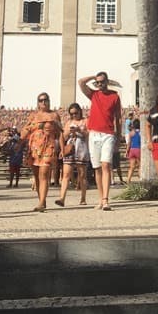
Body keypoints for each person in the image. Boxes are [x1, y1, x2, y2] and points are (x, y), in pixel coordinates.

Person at [78, 71, 121, 211]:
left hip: (108, 134)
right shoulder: (94, 94)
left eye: (102, 81)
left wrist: (119, 137)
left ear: (107, 81)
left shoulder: (114, 96)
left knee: (105, 165)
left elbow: (118, 118)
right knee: (97, 168)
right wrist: (93, 77)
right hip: (94, 134)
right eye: (98, 82)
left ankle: (106, 199)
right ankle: (100, 199)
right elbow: (80, 82)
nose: (100, 84)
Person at [19, 93, 62, 212]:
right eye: (41, 100)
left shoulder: (54, 115)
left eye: (45, 100)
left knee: (44, 174)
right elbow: (26, 130)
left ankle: (42, 202)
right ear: (38, 103)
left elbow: (60, 132)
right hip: (34, 148)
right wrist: (19, 142)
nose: (43, 102)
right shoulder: (33, 116)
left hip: (49, 146)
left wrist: (63, 149)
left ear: (49, 101)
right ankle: (41, 199)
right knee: (37, 176)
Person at [55, 103, 89, 208]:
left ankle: (83, 197)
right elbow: (63, 137)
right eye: (72, 114)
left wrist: (80, 130)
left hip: (81, 148)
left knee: (82, 175)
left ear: (80, 111)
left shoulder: (85, 121)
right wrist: (68, 133)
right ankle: (62, 198)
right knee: (66, 174)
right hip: (70, 148)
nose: (74, 115)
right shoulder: (69, 122)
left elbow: (89, 134)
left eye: (76, 113)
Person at [126, 119, 141, 183]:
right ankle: (141, 178)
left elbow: (129, 143)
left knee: (131, 167)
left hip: (132, 150)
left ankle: (128, 180)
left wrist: (127, 151)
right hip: (138, 149)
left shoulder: (131, 133)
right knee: (140, 166)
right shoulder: (141, 132)